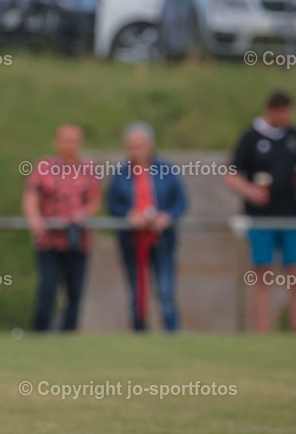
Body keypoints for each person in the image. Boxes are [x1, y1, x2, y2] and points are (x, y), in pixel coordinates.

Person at [224, 90, 296, 333]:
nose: (287, 117)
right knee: (262, 276)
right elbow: (231, 175)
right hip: (260, 218)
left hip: (292, 216)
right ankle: (263, 333)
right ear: (271, 111)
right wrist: (250, 191)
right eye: (283, 112)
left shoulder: (295, 136)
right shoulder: (250, 138)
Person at [106, 122, 187, 332]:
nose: (136, 151)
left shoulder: (166, 170)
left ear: (150, 145)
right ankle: (139, 333)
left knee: (165, 291)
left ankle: (172, 334)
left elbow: (181, 201)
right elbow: (112, 204)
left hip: (163, 240)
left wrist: (167, 217)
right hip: (132, 241)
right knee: (136, 292)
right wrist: (128, 215)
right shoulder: (120, 174)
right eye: (131, 146)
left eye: (140, 146)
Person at [22, 124, 102, 332]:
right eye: (66, 141)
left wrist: (83, 214)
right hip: (48, 241)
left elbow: (95, 201)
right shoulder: (44, 167)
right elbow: (31, 196)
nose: (70, 146)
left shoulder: (88, 170)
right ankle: (40, 333)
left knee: (74, 293)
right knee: (47, 288)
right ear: (57, 143)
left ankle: (68, 336)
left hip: (77, 242)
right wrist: (35, 218)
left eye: (74, 141)